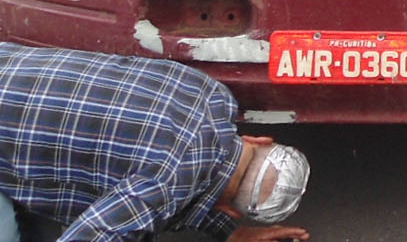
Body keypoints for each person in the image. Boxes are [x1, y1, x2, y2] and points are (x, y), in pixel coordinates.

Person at [0, 42, 310, 242]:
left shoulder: (212, 94)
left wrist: (229, 233)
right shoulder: (163, 185)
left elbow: (204, 177)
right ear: (230, 209)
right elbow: (91, 234)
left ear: (258, 139)